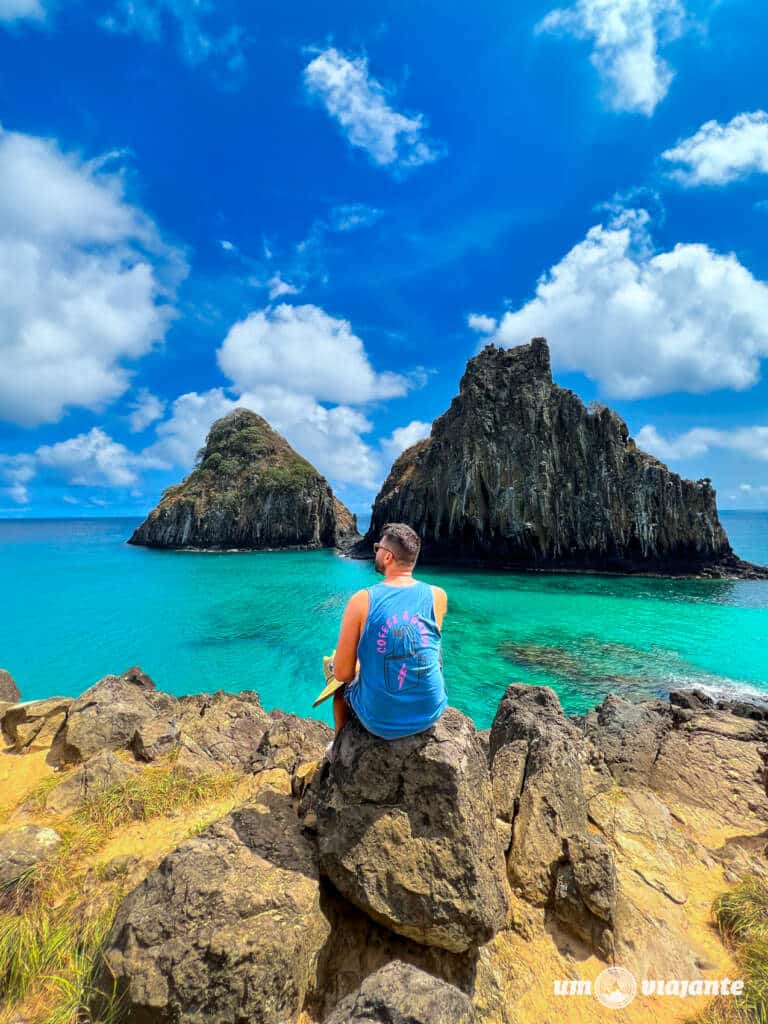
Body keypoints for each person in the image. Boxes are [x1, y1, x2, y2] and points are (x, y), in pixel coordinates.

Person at [330, 522, 448, 740]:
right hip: (430, 712)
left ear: (387, 556)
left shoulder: (361, 601)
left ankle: (337, 746)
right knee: (435, 645)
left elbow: (343, 674)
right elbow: (424, 648)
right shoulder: (438, 596)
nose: (375, 552)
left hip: (379, 722)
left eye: (377, 548)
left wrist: (351, 667)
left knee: (337, 686)